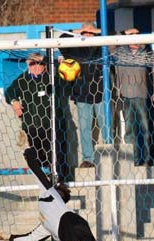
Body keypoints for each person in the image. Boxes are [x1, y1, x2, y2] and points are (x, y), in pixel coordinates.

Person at [0, 136, 154, 241]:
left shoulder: (49, 194)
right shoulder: (45, 225)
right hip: (67, 237)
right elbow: (30, 239)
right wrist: (6, 237)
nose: (56, 187)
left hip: (70, 224)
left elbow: (35, 168)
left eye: (58, 188)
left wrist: (26, 147)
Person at [4, 53, 67, 176]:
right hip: (31, 126)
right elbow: (9, 92)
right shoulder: (22, 80)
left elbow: (65, 75)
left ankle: (59, 181)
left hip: (51, 124)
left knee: (55, 155)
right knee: (37, 157)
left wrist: (50, 60)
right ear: (27, 65)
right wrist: (14, 102)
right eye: (32, 63)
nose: (36, 66)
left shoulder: (52, 77)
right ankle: (45, 180)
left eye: (39, 63)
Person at [112, 28, 154, 166]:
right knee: (129, 130)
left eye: (137, 35)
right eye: (131, 35)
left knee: (145, 129)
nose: (134, 38)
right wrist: (123, 33)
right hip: (125, 96)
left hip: (142, 95)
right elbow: (110, 43)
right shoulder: (119, 53)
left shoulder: (149, 53)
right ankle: (132, 160)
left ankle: (148, 159)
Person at [59, 23, 107, 168]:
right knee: (85, 127)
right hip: (81, 94)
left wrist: (96, 30)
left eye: (90, 32)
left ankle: (110, 154)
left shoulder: (102, 46)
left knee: (106, 126)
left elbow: (112, 34)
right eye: (85, 32)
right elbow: (61, 38)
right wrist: (78, 31)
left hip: (101, 93)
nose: (87, 34)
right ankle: (88, 158)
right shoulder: (75, 48)